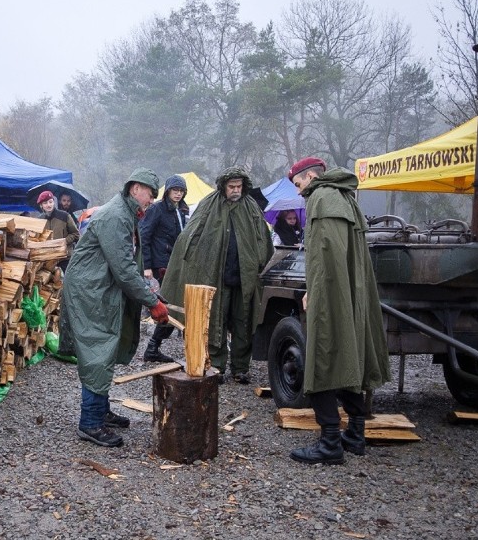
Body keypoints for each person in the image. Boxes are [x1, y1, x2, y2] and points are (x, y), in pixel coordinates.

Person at [287, 157, 390, 464]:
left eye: (298, 184)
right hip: (350, 294)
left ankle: (330, 442)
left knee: (322, 360)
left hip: (331, 296)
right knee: (348, 356)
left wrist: (314, 294)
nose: (298, 192)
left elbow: (323, 260)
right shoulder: (345, 197)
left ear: (309, 176)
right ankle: (355, 435)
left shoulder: (320, 199)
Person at [59, 168, 169, 448]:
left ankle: (101, 411)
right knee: (99, 349)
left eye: (155, 195)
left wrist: (150, 295)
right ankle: (90, 423)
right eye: (150, 193)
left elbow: (127, 264)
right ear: (135, 189)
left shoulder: (127, 213)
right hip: (90, 290)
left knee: (106, 347)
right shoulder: (116, 215)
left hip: (99, 286)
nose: (152, 200)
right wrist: (151, 302)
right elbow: (123, 269)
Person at [161, 167, 274, 385]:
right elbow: (190, 237)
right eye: (232, 186)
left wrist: (262, 266)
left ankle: (241, 367)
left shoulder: (250, 207)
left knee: (243, 321)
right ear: (223, 186)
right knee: (215, 321)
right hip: (216, 277)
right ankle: (217, 366)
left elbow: (262, 239)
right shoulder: (209, 205)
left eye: (239, 186)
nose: (235, 190)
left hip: (245, 278)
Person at [139, 174, 190, 362]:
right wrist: (147, 266)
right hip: (161, 265)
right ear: (167, 191)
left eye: (181, 191)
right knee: (168, 304)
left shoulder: (182, 211)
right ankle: (153, 346)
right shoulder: (156, 209)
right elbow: (144, 236)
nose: (178, 194)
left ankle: (156, 346)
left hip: (177, 264)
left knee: (178, 303)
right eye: (175, 190)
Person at [37, 191, 80, 271]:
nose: (48, 205)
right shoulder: (39, 220)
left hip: (65, 258)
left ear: (54, 202)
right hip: (47, 258)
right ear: (41, 205)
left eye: (50, 202)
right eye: (45, 203)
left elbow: (76, 234)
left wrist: (64, 242)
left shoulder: (65, 216)